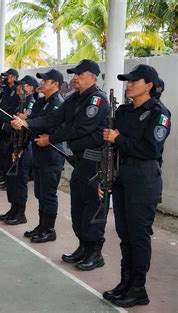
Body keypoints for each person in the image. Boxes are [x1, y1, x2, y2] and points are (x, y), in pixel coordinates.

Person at [12, 59, 110, 271]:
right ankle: (83, 246)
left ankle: (95, 252)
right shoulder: (75, 99)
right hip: (80, 161)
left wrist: (51, 139)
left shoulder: (97, 100)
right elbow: (54, 118)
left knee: (93, 208)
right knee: (78, 207)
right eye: (75, 74)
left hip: (95, 163)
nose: (75, 78)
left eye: (80, 75)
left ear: (92, 77)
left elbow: (81, 128)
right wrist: (28, 123)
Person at [101, 65, 171, 308]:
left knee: (139, 235)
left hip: (144, 178)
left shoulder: (159, 113)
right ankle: (126, 282)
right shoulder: (123, 111)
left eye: (133, 81)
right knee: (125, 234)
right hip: (122, 176)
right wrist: (105, 177)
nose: (128, 84)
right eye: (127, 81)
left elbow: (150, 149)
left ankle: (138, 288)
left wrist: (118, 138)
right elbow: (110, 149)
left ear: (148, 85)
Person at [23, 69, 65, 243]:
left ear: (55, 84)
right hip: (39, 153)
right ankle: (41, 226)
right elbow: (34, 122)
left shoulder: (58, 103)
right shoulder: (41, 102)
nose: (42, 83)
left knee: (48, 194)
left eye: (45, 81)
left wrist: (27, 122)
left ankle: (49, 229)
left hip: (51, 154)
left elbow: (48, 122)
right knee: (40, 193)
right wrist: (26, 122)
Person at [0, 74, 35, 225]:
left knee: (19, 180)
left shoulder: (30, 104)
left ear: (30, 89)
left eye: (22, 85)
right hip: (13, 144)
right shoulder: (18, 102)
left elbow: (29, 125)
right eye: (18, 85)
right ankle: (13, 208)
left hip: (24, 146)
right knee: (11, 179)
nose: (18, 87)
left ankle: (20, 213)